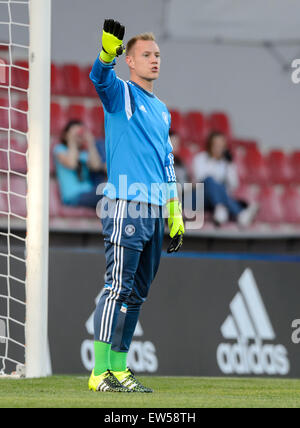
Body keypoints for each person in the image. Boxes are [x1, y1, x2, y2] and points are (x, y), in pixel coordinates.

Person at [88, 19, 185, 393]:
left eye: (157, 54)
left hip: (156, 209)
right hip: (127, 205)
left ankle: (120, 369)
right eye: (146, 55)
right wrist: (104, 55)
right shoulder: (122, 95)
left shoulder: (162, 110)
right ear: (130, 60)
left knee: (136, 293)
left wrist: (175, 210)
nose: (154, 60)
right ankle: (99, 374)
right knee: (117, 287)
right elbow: (100, 80)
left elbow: (166, 162)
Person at [193, 131, 258, 227]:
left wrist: (230, 165)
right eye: (216, 145)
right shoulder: (200, 158)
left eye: (221, 145)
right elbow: (200, 180)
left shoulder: (226, 163)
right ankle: (239, 212)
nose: (218, 148)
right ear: (210, 145)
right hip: (201, 198)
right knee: (210, 181)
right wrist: (214, 161)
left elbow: (234, 185)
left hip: (218, 198)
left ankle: (220, 207)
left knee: (222, 188)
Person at [54, 120, 106, 208]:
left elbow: (96, 166)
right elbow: (72, 164)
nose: (78, 137)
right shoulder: (60, 149)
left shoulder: (84, 153)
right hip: (73, 196)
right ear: (66, 135)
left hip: (89, 193)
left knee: (112, 190)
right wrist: (71, 140)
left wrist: (90, 143)